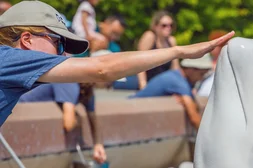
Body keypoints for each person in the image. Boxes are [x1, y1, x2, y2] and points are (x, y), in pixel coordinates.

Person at [0, 1, 235, 128]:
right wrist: (179, 51)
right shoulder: (12, 60)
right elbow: (102, 69)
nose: (62, 56)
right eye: (59, 44)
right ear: (27, 40)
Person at [19, 82, 106, 162]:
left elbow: (93, 117)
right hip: (20, 112)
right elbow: (68, 124)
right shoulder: (69, 83)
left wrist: (98, 145)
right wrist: (77, 120)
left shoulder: (87, 90)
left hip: (36, 120)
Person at [131, 56, 213, 130]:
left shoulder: (179, 78)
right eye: (201, 74)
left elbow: (194, 105)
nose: (201, 78)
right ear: (190, 70)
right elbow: (193, 117)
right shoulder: (178, 82)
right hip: (132, 112)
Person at [137, 11, 179, 89]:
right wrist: (143, 85)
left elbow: (175, 68)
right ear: (155, 26)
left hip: (164, 85)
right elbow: (139, 64)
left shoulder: (171, 41)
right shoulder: (149, 36)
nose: (168, 28)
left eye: (171, 25)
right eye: (164, 25)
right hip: (148, 83)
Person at [195, 30, 228, 98]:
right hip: (201, 95)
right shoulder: (204, 59)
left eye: (219, 45)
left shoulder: (227, 62)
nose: (215, 48)